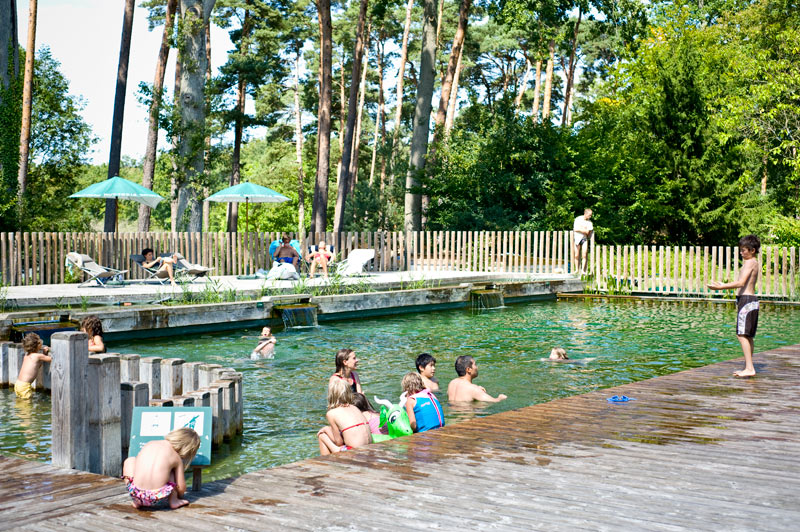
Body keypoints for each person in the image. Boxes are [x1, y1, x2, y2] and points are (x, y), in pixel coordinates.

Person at [708, 234, 762, 377]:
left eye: (744, 250)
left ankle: (750, 368)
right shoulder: (753, 263)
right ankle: (748, 366)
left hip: (747, 300)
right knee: (747, 336)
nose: (741, 252)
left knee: (742, 335)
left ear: (753, 250)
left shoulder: (750, 263)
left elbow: (740, 283)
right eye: (741, 250)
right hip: (750, 301)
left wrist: (721, 287)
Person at [121, 427, 201, 510]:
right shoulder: (176, 457)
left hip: (136, 493)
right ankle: (174, 501)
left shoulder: (150, 443)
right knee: (170, 471)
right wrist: (179, 494)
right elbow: (181, 488)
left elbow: (139, 466)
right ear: (186, 450)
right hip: (156, 496)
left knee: (130, 461)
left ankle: (136, 500)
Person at [316, 378, 372, 454]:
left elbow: (339, 442)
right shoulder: (355, 407)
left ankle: (326, 464)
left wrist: (326, 429)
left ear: (331, 395)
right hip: (369, 448)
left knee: (322, 436)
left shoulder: (331, 413)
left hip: (354, 452)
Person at [14, 333, 51, 400]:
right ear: (37, 345)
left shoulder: (27, 356)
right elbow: (52, 359)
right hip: (25, 386)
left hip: (18, 384)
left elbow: (37, 366)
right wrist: (45, 353)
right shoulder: (37, 356)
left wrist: (44, 354)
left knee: (21, 403)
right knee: (27, 407)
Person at [573, 208, 594, 275]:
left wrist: (581, 229)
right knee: (576, 255)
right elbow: (575, 229)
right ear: (585, 213)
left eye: (591, 215)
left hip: (584, 239)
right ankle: (576, 269)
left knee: (584, 255)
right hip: (577, 238)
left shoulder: (589, 222)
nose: (590, 217)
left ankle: (583, 270)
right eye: (589, 215)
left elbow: (587, 232)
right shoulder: (578, 219)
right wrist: (583, 229)